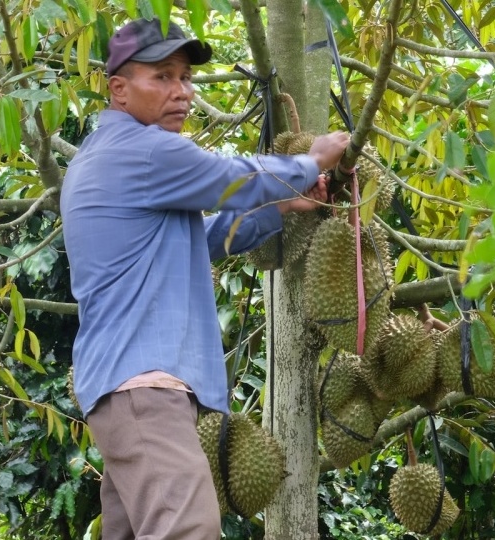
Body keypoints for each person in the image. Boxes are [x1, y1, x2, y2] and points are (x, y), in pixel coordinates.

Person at [60, 17, 350, 539]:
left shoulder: (105, 158)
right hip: (145, 388)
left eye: (186, 78)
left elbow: (206, 240)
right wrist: (310, 161)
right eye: (163, 77)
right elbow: (230, 178)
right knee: (187, 529)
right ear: (119, 89)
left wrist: (281, 207)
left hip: (121, 394)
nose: (182, 92)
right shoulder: (146, 151)